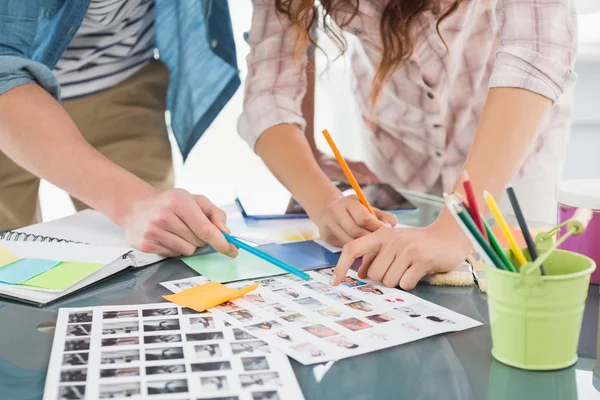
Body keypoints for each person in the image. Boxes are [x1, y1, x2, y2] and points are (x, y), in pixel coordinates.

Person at [239, 1, 578, 290]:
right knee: (402, 287)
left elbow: (537, 50)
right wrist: (323, 202)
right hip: (398, 133)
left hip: (509, 132)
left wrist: (457, 227)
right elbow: (268, 96)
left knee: (511, 295)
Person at [0, 1, 240, 259]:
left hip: (123, 80)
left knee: (153, 259)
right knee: (8, 268)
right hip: (10, 99)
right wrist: (134, 203)